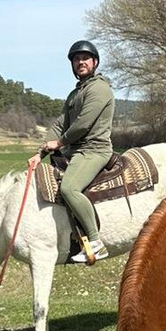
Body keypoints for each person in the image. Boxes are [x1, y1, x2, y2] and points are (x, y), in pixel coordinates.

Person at [30, 40, 116, 263]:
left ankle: (96, 242)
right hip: (76, 150)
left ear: (94, 62)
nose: (81, 62)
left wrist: (59, 143)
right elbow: (61, 124)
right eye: (76, 59)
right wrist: (40, 153)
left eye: (85, 58)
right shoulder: (75, 94)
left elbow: (83, 124)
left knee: (69, 188)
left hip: (94, 150)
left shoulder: (99, 88)